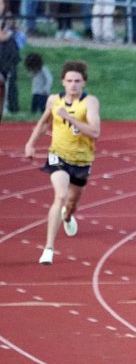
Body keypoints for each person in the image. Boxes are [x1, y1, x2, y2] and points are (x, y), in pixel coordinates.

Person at [24, 60, 100, 265]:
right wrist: (31, 144)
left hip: (82, 160)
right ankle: (48, 248)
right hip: (58, 155)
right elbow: (43, 124)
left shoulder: (89, 102)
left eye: (77, 81)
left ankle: (68, 216)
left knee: (72, 202)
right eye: (69, 81)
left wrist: (69, 118)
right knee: (60, 195)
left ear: (84, 82)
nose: (73, 85)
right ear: (63, 82)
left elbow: (95, 131)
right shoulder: (53, 101)